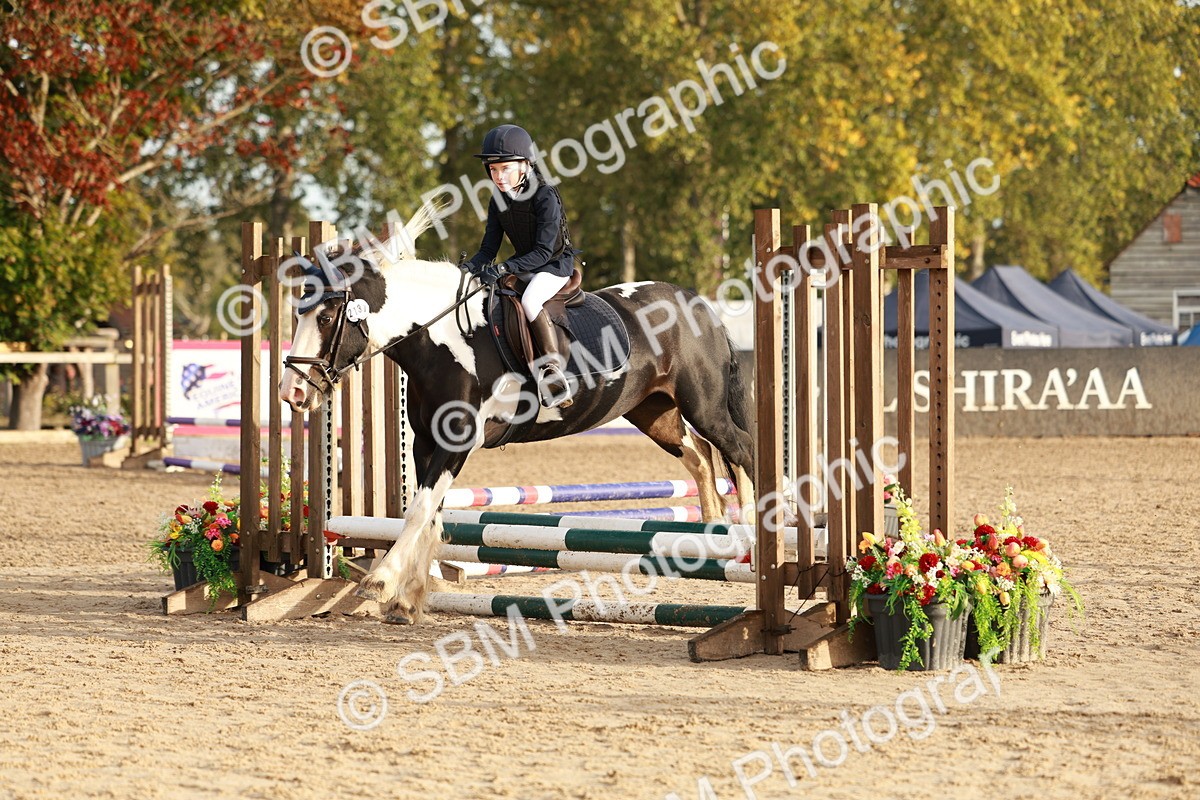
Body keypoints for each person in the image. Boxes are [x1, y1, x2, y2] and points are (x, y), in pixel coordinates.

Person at [466, 124, 579, 408]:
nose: (498, 176)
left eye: (505, 168)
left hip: (554, 265)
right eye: (493, 170)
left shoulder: (545, 196)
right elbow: (488, 249)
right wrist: (467, 270)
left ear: (525, 165)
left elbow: (543, 251)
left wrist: (504, 269)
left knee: (530, 299)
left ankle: (553, 371)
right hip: (525, 265)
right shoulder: (498, 200)